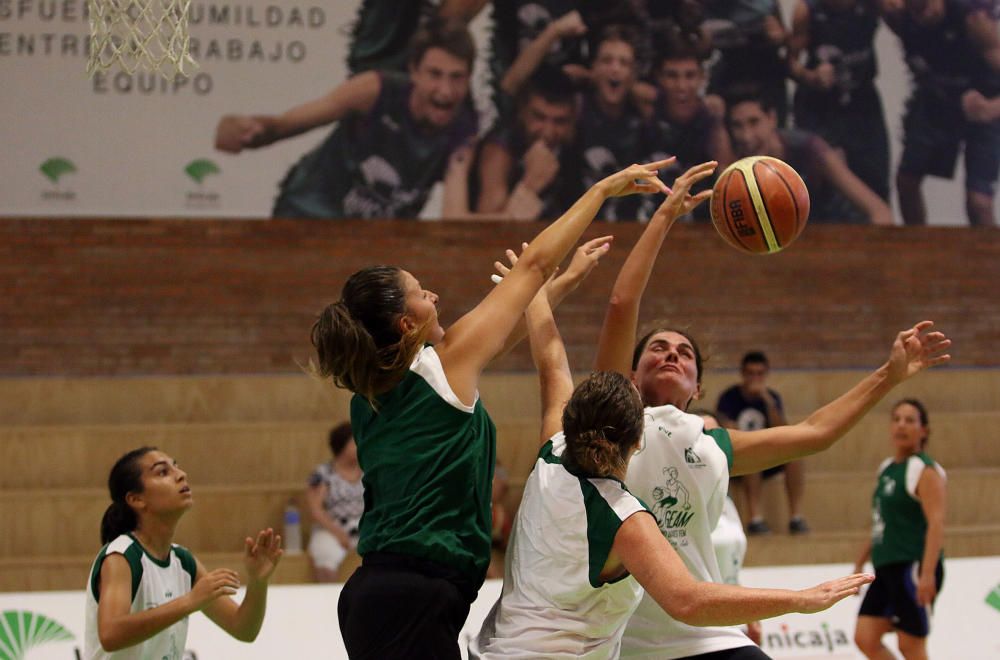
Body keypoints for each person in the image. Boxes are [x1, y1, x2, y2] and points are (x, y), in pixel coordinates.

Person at [310, 159, 672, 658]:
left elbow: (499, 337)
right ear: (402, 323)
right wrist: (602, 191)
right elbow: (531, 266)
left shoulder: (372, 394)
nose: (432, 294)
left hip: (387, 596)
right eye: (420, 293)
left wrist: (562, 285)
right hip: (412, 598)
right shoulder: (441, 370)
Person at [591, 161, 952, 659]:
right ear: (631, 377)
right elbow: (619, 303)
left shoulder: (713, 443)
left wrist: (888, 376)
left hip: (706, 638)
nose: (672, 353)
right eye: (657, 348)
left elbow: (816, 432)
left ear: (697, 387)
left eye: (685, 352)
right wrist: (666, 215)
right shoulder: (612, 424)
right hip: (623, 645)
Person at [473, 263, 872, 658]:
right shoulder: (625, 518)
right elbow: (689, 601)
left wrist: (534, 287)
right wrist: (801, 599)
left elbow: (552, 363)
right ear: (638, 439)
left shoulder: (551, 453)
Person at [214, 20, 478, 220]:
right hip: (306, 213)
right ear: (414, 71)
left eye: (457, 77)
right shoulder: (374, 90)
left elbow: (453, 216)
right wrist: (249, 131)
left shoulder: (465, 125)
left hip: (376, 238)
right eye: (435, 74)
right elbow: (285, 125)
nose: (446, 90)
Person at [85, 447, 282, 659]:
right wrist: (189, 601)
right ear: (136, 499)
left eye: (176, 467)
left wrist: (258, 582)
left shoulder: (183, 562)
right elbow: (110, 633)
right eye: (162, 472)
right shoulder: (121, 556)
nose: (181, 474)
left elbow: (243, 629)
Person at [881, 0, 1000, 226]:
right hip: (937, 101)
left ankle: (989, 258)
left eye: (927, 6)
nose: (924, 15)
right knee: (907, 182)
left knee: (979, 203)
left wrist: (990, 109)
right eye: (915, 9)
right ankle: (918, 249)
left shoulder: (974, 21)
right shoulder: (898, 16)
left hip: (983, 102)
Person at [853, 399, 947, 660]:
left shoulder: (925, 469)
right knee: (865, 638)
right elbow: (880, 523)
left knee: (911, 646)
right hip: (885, 568)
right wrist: (859, 564)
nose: (901, 425)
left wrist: (927, 574)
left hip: (913, 567)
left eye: (909, 420)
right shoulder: (886, 469)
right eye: (896, 419)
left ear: (924, 430)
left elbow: (937, 523)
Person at [726, 92, 894, 225]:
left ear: (772, 118)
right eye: (737, 126)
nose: (746, 136)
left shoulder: (809, 149)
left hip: (839, 231)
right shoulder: (735, 163)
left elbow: (879, 212)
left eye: (754, 122)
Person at [787, 0, 890, 209]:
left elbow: (906, 22)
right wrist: (811, 76)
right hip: (819, 105)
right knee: (820, 183)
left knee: (875, 180)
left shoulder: (873, 6)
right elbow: (790, 63)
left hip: (862, 100)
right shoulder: (807, 11)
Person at [471, 67, 583, 220]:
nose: (548, 132)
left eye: (559, 121)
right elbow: (489, 230)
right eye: (539, 117)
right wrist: (530, 184)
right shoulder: (499, 149)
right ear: (522, 112)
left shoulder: (574, 147)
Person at [717, 351, 808, 536]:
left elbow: (783, 431)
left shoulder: (771, 398)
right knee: (754, 454)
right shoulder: (729, 397)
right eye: (751, 373)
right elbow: (726, 429)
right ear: (743, 374)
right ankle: (754, 519)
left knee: (795, 457)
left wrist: (767, 401)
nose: (755, 378)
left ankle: (796, 516)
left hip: (766, 456)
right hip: (738, 457)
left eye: (759, 373)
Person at [695, 409, 763, 646]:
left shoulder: (726, 498)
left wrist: (750, 614)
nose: (710, 443)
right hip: (698, 626)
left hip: (733, 620)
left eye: (715, 435)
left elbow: (726, 568)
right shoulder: (679, 501)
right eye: (702, 436)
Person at [304, 422, 364, 582]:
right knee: (325, 555)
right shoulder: (323, 473)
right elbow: (315, 510)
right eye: (355, 441)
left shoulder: (368, 470)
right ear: (343, 445)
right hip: (333, 527)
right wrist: (338, 533)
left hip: (364, 526)